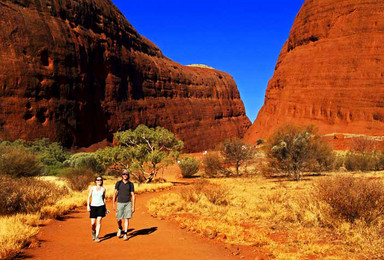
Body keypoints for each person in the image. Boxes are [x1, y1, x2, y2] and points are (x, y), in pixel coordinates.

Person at [113, 170, 135, 240]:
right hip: (120, 203)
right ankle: (120, 228)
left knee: (126, 218)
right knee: (118, 218)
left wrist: (133, 206)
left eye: (126, 174)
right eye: (124, 174)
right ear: (122, 175)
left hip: (128, 203)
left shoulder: (130, 184)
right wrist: (113, 203)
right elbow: (114, 193)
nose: (125, 175)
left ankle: (125, 233)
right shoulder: (118, 183)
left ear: (128, 175)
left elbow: (133, 195)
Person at [87, 176, 107, 243]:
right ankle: (93, 231)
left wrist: (105, 208)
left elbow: (104, 198)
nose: (99, 181)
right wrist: (88, 205)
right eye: (97, 180)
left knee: (99, 221)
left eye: (100, 180)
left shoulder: (103, 189)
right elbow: (89, 197)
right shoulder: (92, 188)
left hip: (101, 206)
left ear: (102, 181)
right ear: (95, 181)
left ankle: (97, 236)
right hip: (93, 206)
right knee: (93, 223)